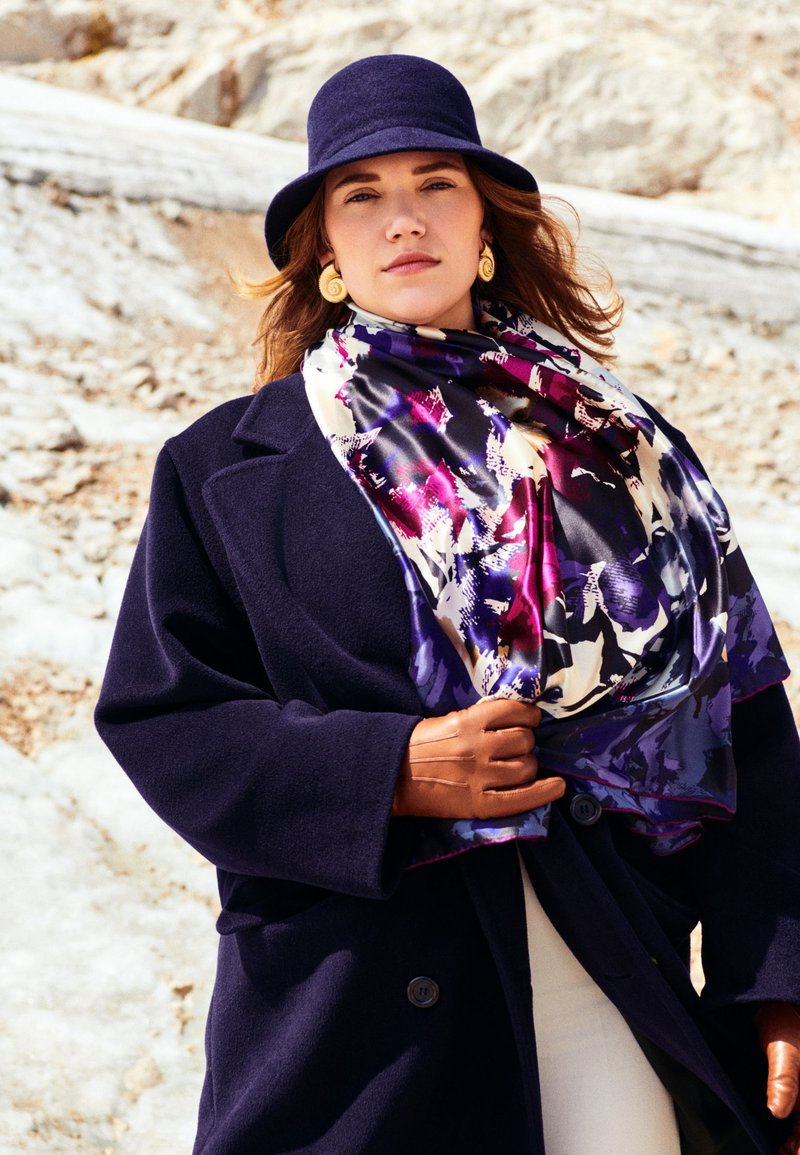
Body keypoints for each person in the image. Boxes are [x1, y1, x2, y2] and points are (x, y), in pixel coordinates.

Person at [95, 54, 800, 1154]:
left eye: (434, 184)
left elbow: (743, 722)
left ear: (485, 225)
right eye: (360, 195)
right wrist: (390, 773)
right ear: (324, 249)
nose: (400, 219)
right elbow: (163, 717)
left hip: (608, 968)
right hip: (350, 1023)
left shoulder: (619, 450)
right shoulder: (223, 468)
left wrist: (773, 979)